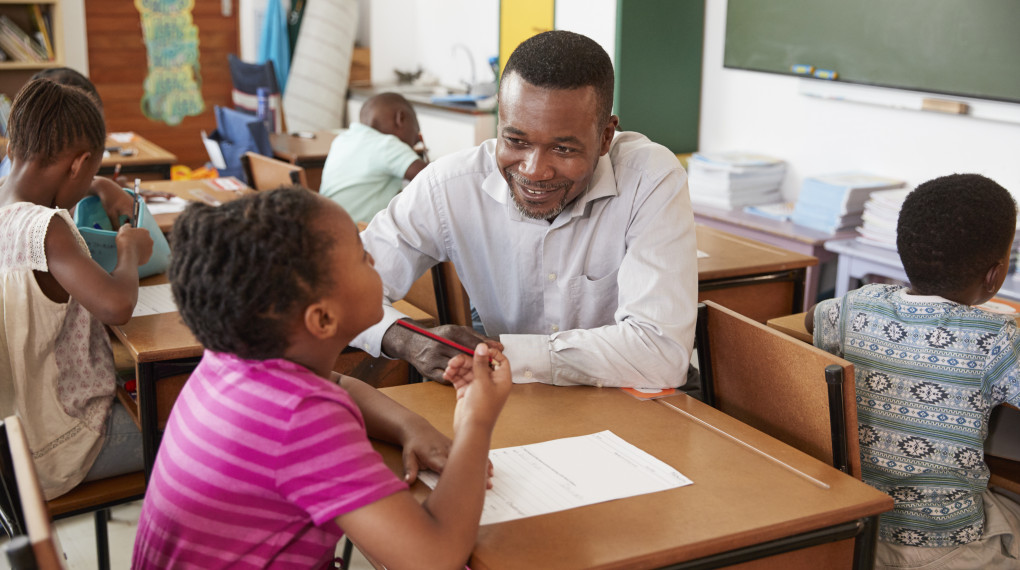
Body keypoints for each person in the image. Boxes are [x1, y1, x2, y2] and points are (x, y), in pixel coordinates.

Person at [132, 188, 512, 569]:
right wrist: (475, 424)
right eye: (362, 257)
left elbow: (341, 385)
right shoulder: (298, 419)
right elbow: (435, 558)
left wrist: (409, 425)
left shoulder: (235, 357)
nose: (374, 259)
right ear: (323, 319)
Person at [351, 30, 697, 388]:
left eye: (563, 149)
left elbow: (660, 354)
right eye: (515, 141)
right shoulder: (450, 186)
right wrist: (405, 338)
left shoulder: (650, 179)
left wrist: (500, 356)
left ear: (606, 136)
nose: (533, 170)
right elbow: (335, 290)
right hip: (510, 408)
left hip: (627, 409)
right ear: (498, 123)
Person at [809, 174, 1020, 569]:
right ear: (994, 274)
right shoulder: (995, 337)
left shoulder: (855, 305)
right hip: (945, 542)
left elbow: (810, 320)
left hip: (859, 525)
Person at [0, 78, 153, 499]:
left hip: (11, 445)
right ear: (78, 163)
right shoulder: (46, 229)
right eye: (89, 171)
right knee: (195, 427)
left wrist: (98, 184)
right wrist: (127, 252)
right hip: (61, 445)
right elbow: (117, 305)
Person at [319, 92, 428, 223]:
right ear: (401, 119)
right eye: (415, 135)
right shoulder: (387, 144)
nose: (414, 144)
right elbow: (433, 179)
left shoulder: (343, 139)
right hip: (356, 234)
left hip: (327, 225)